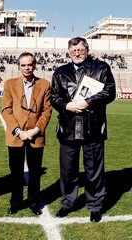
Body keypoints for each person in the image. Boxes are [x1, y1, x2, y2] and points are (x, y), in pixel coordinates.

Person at [50, 37, 116, 222]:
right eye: (73, 51)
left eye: (80, 50)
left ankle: (95, 205)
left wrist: (88, 102)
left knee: (94, 169)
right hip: (68, 127)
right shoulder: (60, 72)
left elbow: (109, 91)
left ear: (86, 49)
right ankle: (67, 203)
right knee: (68, 170)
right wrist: (66, 106)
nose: (77, 53)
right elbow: (53, 96)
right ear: (68, 52)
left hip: (92, 126)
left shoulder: (101, 68)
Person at [2, 52, 52, 215]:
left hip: (36, 136)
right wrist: (18, 131)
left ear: (35, 65)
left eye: (29, 64)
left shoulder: (44, 84)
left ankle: (34, 202)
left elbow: (47, 111)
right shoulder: (10, 84)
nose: (26, 68)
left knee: (35, 172)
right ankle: (15, 203)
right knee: (15, 172)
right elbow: (7, 110)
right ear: (19, 66)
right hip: (16, 136)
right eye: (23, 65)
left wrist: (35, 130)